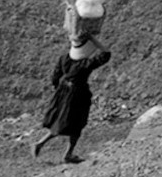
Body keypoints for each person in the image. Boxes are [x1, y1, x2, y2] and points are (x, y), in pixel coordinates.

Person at [33, 33, 111, 163]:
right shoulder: (85, 64)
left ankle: (41, 144)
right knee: (76, 124)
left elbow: (55, 78)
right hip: (78, 95)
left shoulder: (63, 59)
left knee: (61, 121)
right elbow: (106, 54)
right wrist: (93, 39)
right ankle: (67, 154)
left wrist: (61, 90)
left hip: (63, 93)